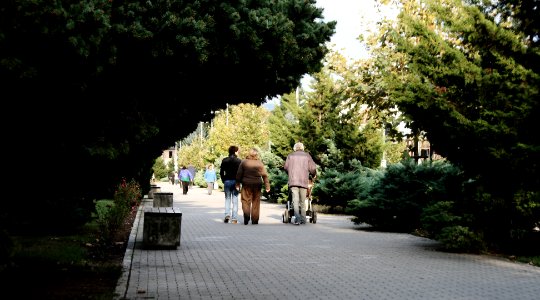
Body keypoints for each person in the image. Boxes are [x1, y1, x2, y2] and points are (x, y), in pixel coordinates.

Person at [284, 142, 317, 225]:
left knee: (295, 200)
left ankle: (297, 219)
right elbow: (313, 168)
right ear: (302, 148)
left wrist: (290, 174)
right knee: (303, 200)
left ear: (295, 148)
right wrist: (313, 175)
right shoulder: (307, 156)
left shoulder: (290, 156)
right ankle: (303, 219)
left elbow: (286, 167)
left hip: (293, 181)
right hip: (303, 181)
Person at [236, 148, 270, 225]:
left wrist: (237, 184)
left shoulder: (244, 162)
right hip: (257, 184)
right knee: (256, 202)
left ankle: (246, 217)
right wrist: (267, 186)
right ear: (256, 154)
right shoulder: (259, 163)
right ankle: (255, 220)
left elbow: (239, 174)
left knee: (245, 200)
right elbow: (264, 175)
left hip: (246, 184)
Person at [220, 145, 242, 224]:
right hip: (236, 182)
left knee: (227, 198)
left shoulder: (224, 160)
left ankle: (227, 215)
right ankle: (234, 218)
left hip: (227, 181)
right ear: (235, 151)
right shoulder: (239, 161)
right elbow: (240, 173)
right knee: (235, 200)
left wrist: (223, 180)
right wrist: (239, 182)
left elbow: (221, 171)